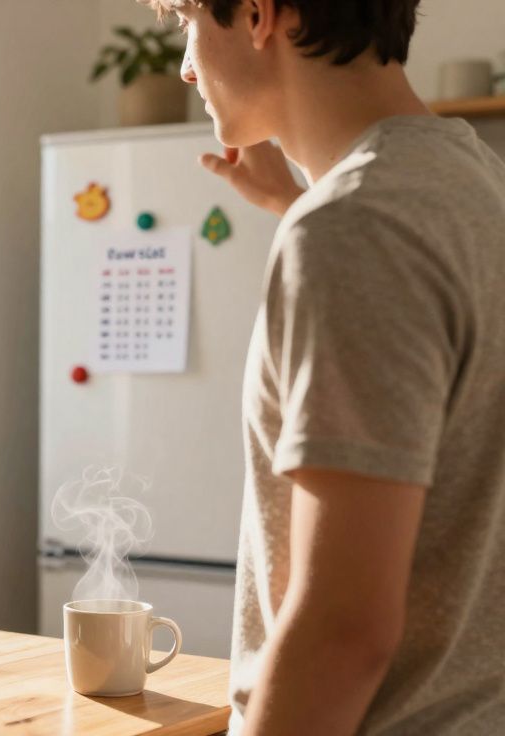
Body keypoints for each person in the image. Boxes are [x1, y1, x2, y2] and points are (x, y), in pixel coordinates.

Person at [145, 1, 505, 734]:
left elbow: (344, 633)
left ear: (255, 15)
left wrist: (322, 222)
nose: (185, 63)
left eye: (188, 21)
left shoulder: (354, 231)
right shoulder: (473, 185)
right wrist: (300, 203)